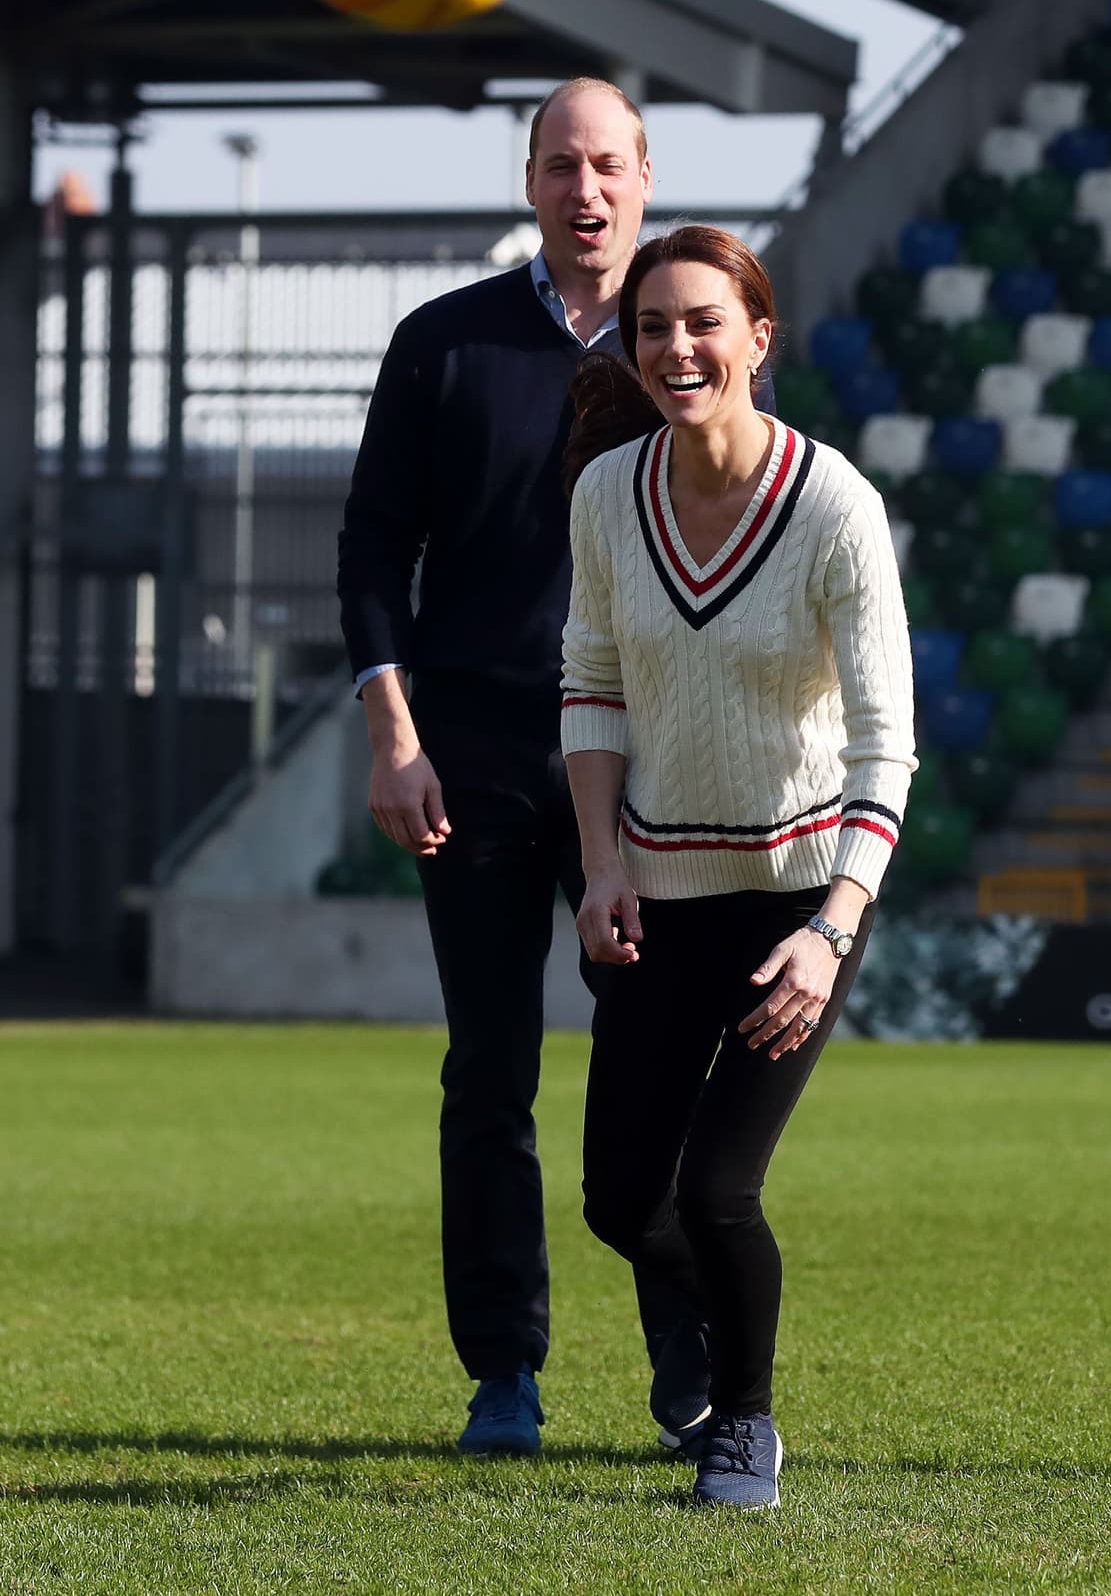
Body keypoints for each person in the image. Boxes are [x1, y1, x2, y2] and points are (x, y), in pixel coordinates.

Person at [336, 80, 741, 1459]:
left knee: (663, 1067)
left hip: (650, 756)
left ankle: (687, 1367)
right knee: (489, 1072)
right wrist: (396, 740)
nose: (588, 190)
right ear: (531, 180)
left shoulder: (684, 349)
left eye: (610, 165)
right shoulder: (440, 344)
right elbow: (371, 556)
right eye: (564, 164)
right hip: (481, 756)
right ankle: (503, 1369)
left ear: (645, 176)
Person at [560, 225, 917, 1509]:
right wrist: (599, 864)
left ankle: (741, 1424)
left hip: (799, 896)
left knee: (715, 1187)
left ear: (757, 338)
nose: (676, 347)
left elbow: (886, 745)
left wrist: (829, 931)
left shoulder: (833, 505)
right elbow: (590, 684)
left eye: (704, 321)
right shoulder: (606, 494)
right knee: (617, 1200)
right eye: (653, 326)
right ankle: (705, 1343)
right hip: (654, 889)